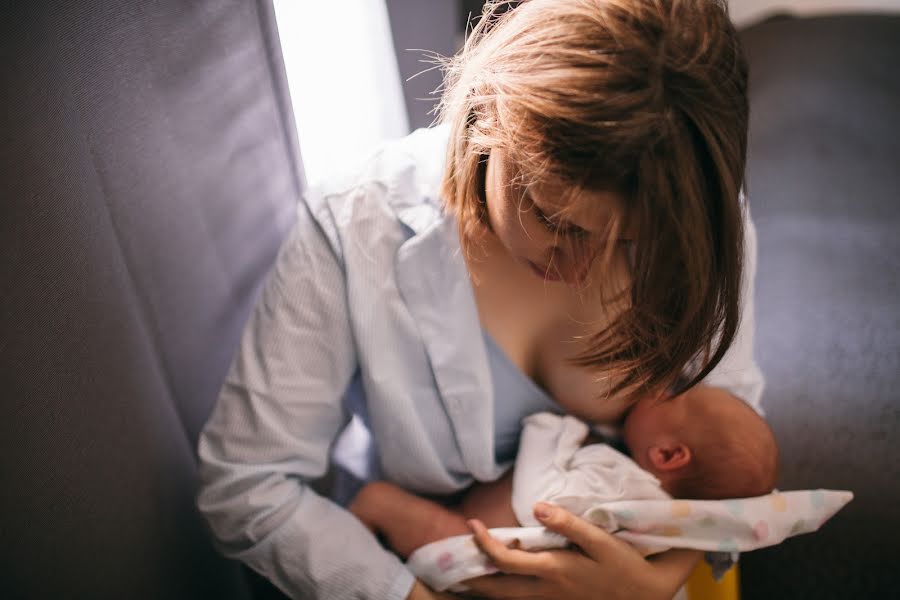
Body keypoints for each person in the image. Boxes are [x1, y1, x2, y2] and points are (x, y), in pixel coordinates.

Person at [196, 1, 765, 599]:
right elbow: (248, 482)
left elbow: (726, 435)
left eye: (626, 241)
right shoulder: (354, 228)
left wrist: (647, 585)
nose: (579, 268)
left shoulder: (696, 227)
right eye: (555, 220)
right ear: (490, 115)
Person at [348, 385, 779, 563]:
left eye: (670, 394)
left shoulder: (623, 486)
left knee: (376, 501)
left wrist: (552, 428)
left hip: (473, 543)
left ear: (666, 454)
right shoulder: (640, 488)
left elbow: (537, 502)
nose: (657, 387)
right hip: (477, 526)